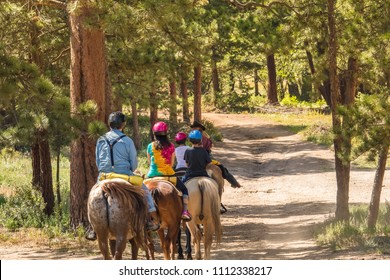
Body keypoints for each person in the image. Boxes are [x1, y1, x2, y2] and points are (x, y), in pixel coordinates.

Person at [86, 111, 159, 241]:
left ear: (109, 124)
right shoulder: (127, 140)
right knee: (145, 191)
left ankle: (92, 227)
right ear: (123, 124)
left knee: (92, 195)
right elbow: (134, 164)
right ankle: (149, 219)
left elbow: (98, 161)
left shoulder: (101, 139)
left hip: (105, 176)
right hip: (124, 175)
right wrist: (130, 170)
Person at [146, 121, 191, 221]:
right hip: (169, 175)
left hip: (152, 175)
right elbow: (171, 164)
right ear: (166, 133)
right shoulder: (171, 146)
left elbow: (149, 162)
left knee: (140, 192)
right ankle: (185, 211)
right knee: (184, 190)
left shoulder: (150, 146)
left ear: (154, 133)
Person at [190, 120, 243, 188]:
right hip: (206, 156)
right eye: (193, 128)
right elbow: (209, 146)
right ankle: (234, 182)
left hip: (195, 156)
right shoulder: (205, 137)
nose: (193, 129)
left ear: (198, 128)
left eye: (194, 128)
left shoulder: (194, 137)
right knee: (222, 168)